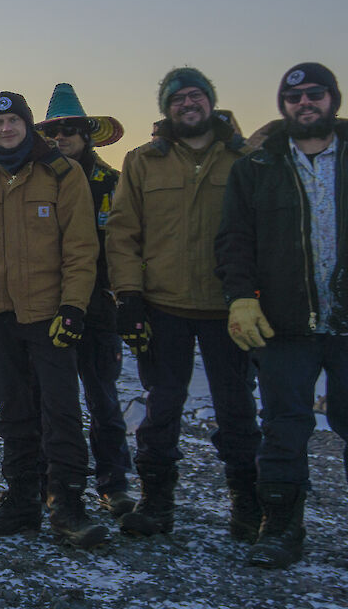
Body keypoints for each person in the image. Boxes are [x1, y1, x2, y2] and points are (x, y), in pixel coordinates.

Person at [217, 63, 348, 575]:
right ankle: (281, 530)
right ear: (283, 107)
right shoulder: (256, 169)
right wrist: (239, 298)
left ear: (333, 99)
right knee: (284, 429)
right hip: (285, 327)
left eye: (315, 94)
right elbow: (234, 242)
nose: (305, 103)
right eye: (294, 98)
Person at [0, 92, 107, 549]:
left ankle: (68, 505)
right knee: (14, 414)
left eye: (14, 120)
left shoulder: (62, 173)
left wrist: (75, 307)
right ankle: (21, 502)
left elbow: (81, 247)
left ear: (28, 126)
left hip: (50, 315)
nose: (7, 129)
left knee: (61, 413)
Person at [104, 67, 260, 540]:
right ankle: (156, 505)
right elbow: (123, 231)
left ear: (211, 102)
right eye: (178, 99)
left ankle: (249, 507)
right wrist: (128, 296)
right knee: (162, 409)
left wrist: (255, 297)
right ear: (166, 109)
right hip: (164, 306)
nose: (188, 104)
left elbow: (262, 233)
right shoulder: (143, 161)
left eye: (196, 96)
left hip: (228, 308)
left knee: (237, 410)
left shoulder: (245, 158)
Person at [35, 84, 134, 516]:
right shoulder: (37, 183)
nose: (61, 138)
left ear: (87, 134)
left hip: (99, 308)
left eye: (70, 130)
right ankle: (50, 483)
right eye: (53, 131)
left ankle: (115, 483)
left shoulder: (114, 185)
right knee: (51, 402)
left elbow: (131, 243)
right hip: (46, 305)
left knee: (104, 401)